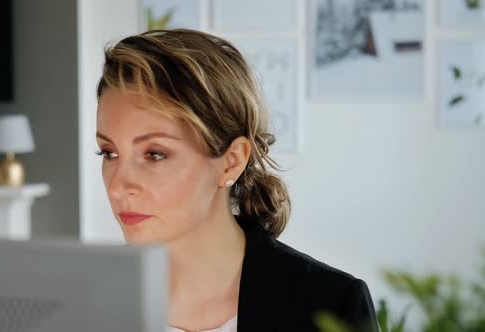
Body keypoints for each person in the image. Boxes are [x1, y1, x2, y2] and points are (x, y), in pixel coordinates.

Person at [95, 29, 378, 332]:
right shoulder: (85, 300)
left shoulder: (331, 304)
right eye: (109, 153)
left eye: (154, 154)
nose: (117, 186)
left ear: (231, 161)